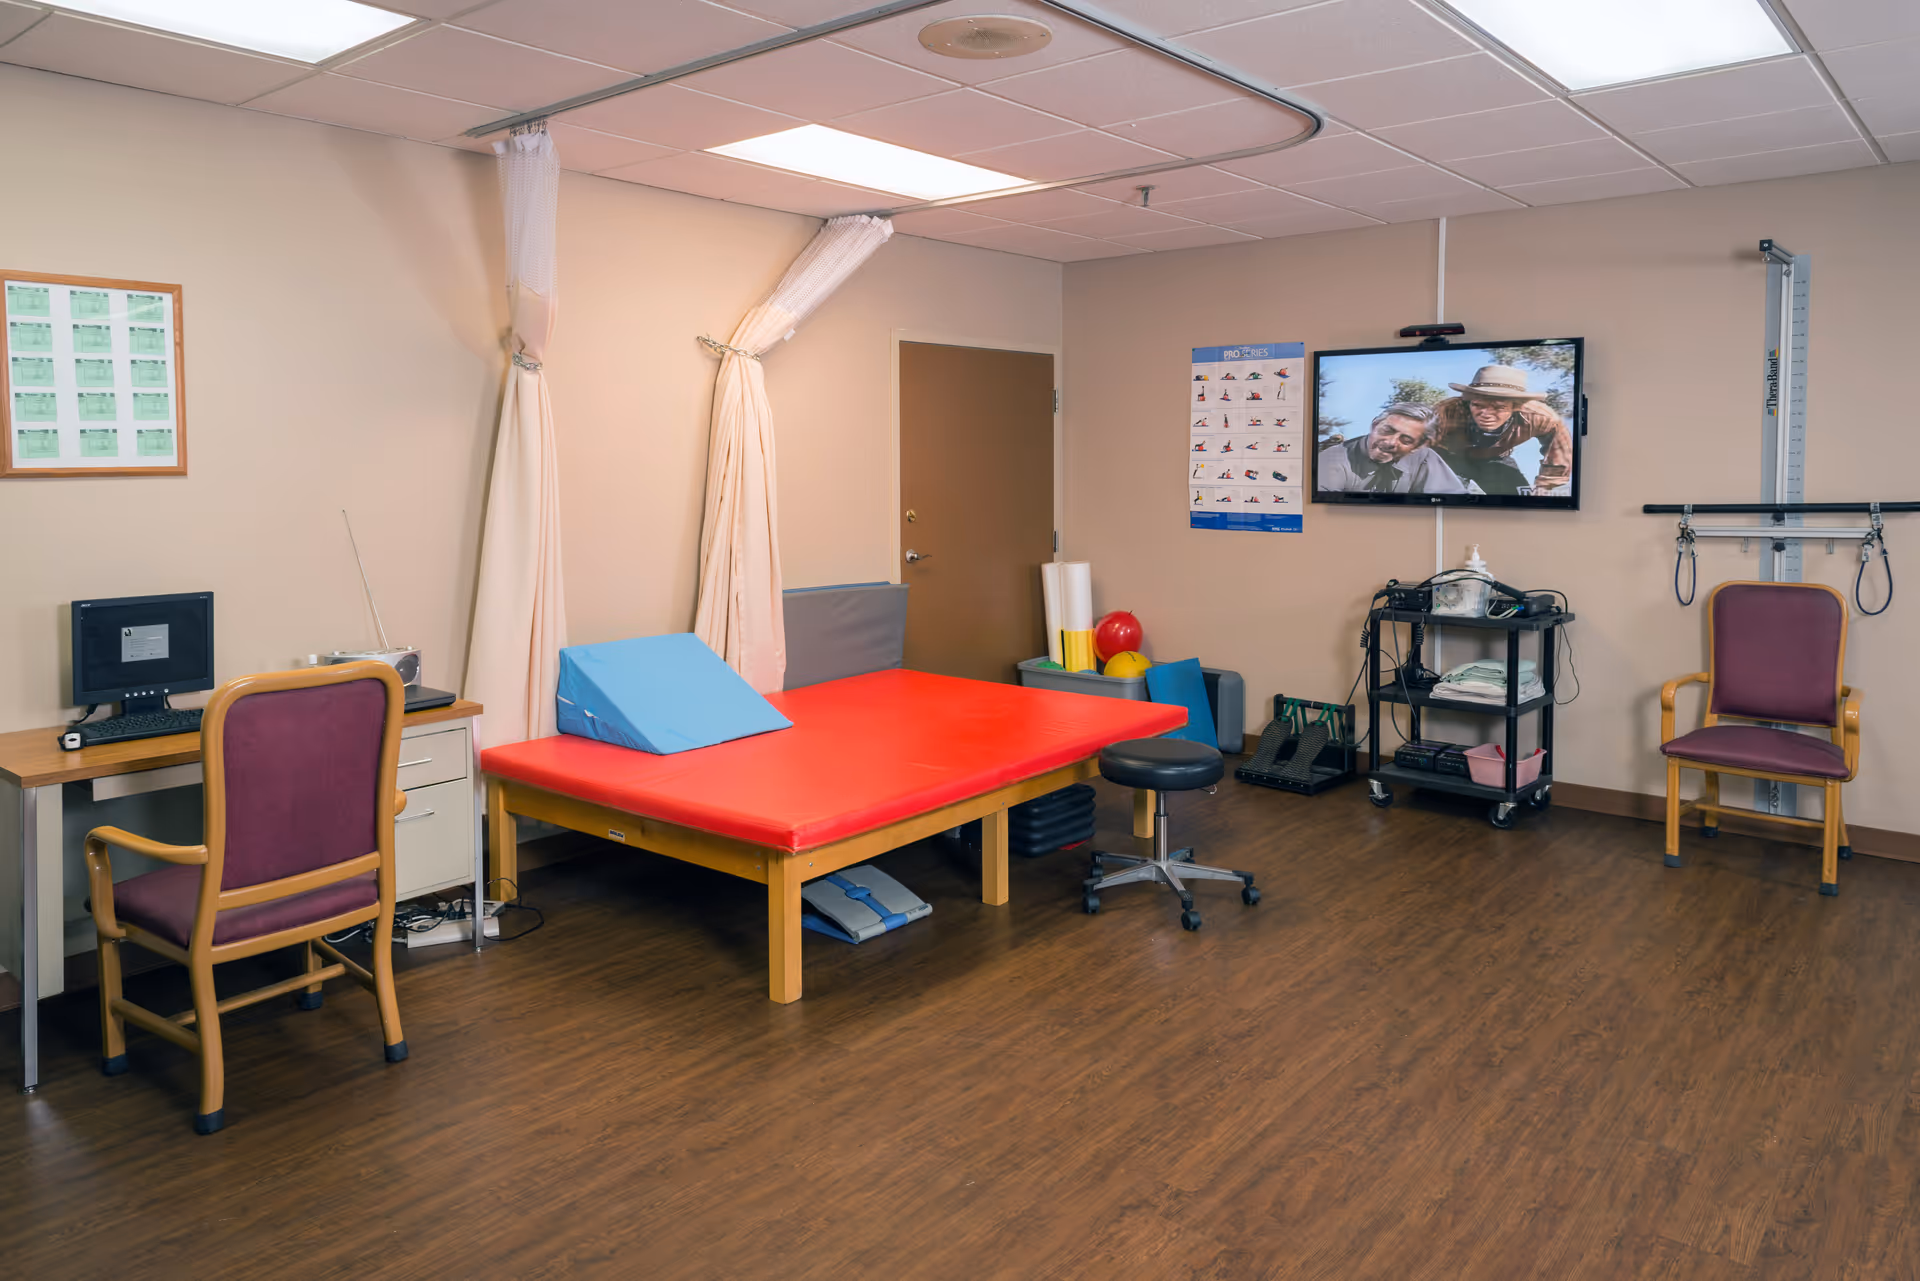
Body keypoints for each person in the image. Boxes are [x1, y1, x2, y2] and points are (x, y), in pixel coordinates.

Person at [1429, 365, 1572, 496]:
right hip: (1449, 458)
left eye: (1498, 407)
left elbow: (1559, 452)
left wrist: (1544, 487)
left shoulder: (1542, 418)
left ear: (1516, 407)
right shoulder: (1447, 411)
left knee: (1520, 503)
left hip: (1495, 459)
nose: (1485, 413)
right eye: (1478, 405)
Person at [1317, 403, 1466, 495]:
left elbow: (1454, 500)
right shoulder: (1331, 460)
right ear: (1375, 425)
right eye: (1387, 430)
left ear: (1418, 446)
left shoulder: (1424, 458)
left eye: (1406, 440)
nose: (1391, 442)